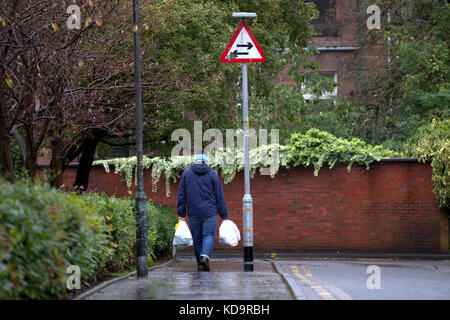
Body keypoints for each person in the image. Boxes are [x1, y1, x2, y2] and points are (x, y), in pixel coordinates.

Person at [176, 152, 228, 271]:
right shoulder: (213, 174)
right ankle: (205, 256)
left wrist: (181, 213)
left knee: (197, 238)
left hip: (194, 213)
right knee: (208, 235)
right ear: (207, 162)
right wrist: (224, 214)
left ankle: (200, 264)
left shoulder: (186, 174)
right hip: (210, 212)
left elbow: (182, 195)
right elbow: (219, 195)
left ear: (195, 161)